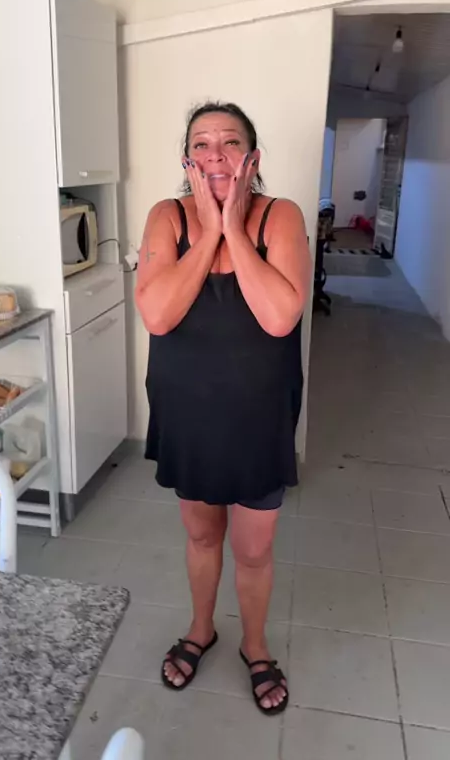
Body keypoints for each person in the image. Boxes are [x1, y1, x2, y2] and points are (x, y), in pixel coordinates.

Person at [135, 102, 311, 715]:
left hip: (259, 416)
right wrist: (207, 230)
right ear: (187, 159)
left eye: (230, 142)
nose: (215, 153)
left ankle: (255, 646)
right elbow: (158, 315)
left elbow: (279, 317)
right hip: (188, 413)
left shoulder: (281, 216)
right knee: (202, 535)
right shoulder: (166, 217)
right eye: (202, 143)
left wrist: (233, 226)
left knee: (254, 550)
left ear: (251, 159)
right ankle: (201, 628)